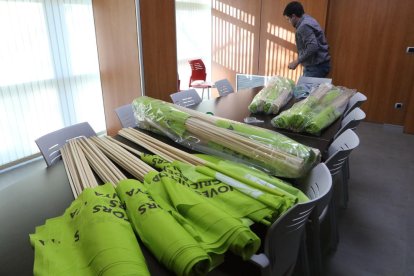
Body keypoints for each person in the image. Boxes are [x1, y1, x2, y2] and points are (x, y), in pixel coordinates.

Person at [283, 1, 331, 77]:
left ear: (293, 16)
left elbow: (312, 47)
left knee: (305, 89)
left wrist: (296, 61)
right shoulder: (308, 19)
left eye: (288, 19)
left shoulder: (303, 26)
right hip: (319, 64)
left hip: (316, 67)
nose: (289, 22)